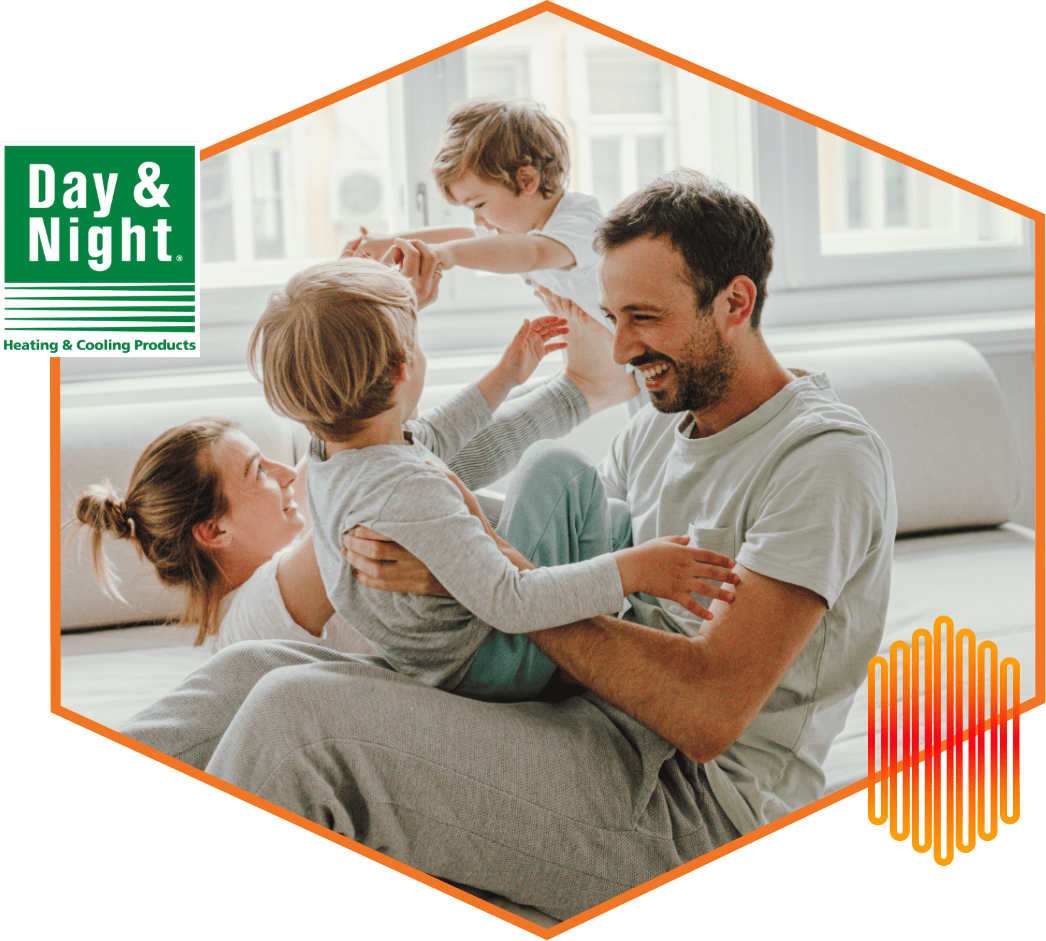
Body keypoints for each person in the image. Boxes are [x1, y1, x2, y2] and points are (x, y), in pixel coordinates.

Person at [120, 170, 896, 921]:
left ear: (736, 301)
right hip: (583, 714)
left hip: (693, 807)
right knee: (253, 672)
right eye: (611, 314)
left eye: (644, 317)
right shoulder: (666, 420)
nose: (620, 349)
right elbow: (556, 538)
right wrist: (452, 541)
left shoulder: (821, 458)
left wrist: (473, 574)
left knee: (301, 721)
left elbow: (705, 712)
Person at [72, 240, 632, 654]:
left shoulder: (327, 502)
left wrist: (368, 321)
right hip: (504, 649)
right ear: (214, 531)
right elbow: (378, 455)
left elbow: (388, 442)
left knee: (424, 454)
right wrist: (374, 330)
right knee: (440, 466)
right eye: (257, 473)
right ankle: (583, 392)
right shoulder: (249, 623)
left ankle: (584, 392)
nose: (285, 473)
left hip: (506, 609)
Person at [246, 254, 737, 700]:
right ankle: (603, 626)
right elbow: (510, 601)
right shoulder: (408, 490)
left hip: (440, 662)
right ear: (401, 369)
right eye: (416, 344)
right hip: (491, 661)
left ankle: (625, 549)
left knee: (603, 515)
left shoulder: (334, 458)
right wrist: (638, 569)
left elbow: (429, 435)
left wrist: (506, 376)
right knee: (556, 471)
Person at [345, 98, 641, 411]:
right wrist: (391, 241)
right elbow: (469, 237)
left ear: (526, 180)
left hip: (652, 358)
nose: (477, 220)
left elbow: (533, 254)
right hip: (623, 364)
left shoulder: (579, 221)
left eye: (478, 205)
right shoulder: (524, 226)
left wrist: (447, 254)